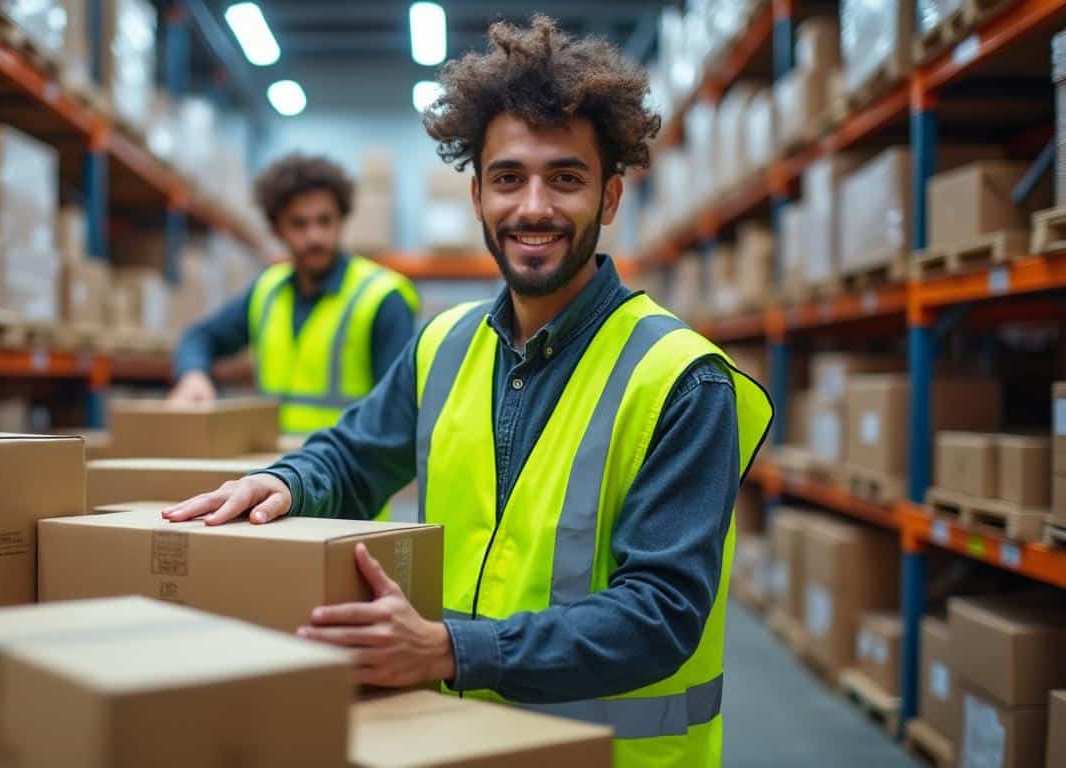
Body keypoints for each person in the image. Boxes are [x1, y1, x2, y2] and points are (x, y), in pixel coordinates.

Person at [165, 16, 772, 767]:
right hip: (459, 745)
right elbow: (353, 459)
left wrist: (452, 649)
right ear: (479, 194)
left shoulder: (682, 378)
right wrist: (284, 481)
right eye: (509, 179)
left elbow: (661, 613)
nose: (533, 207)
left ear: (611, 197)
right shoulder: (443, 345)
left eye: (566, 178)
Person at [168, 153, 420, 436]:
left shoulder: (383, 298)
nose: (315, 237)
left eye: (325, 221)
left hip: (347, 463)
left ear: (342, 221)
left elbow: (395, 416)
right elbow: (199, 337)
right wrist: (193, 375)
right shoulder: (267, 291)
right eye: (299, 224)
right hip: (272, 459)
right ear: (277, 230)